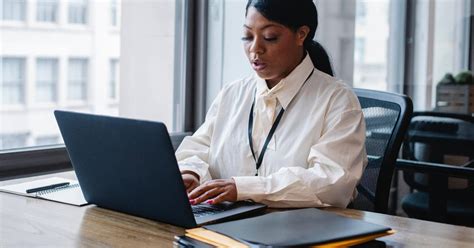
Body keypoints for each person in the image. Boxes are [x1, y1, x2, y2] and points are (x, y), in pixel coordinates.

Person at [176, 0, 367, 208]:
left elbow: (332, 183)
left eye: (270, 37)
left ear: (301, 34)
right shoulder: (232, 93)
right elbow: (198, 148)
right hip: (227, 223)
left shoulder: (338, 101)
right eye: (247, 36)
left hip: (302, 230)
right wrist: (190, 172)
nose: (255, 49)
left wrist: (243, 188)